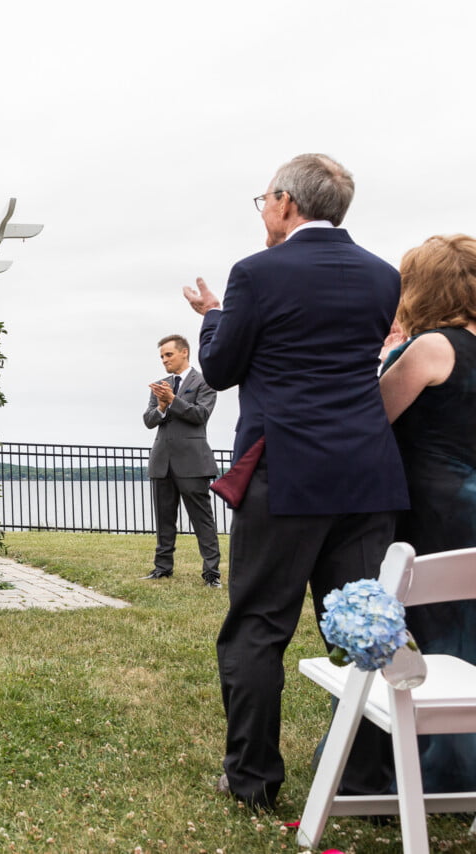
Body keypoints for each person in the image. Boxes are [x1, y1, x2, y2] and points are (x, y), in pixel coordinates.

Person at [182, 153, 408, 810]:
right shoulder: (382, 275)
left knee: (258, 625)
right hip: (368, 474)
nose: (264, 212)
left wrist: (212, 315)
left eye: (263, 201)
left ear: (283, 201)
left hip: (284, 474)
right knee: (366, 630)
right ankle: (364, 775)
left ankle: (252, 781)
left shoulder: (256, 273)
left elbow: (221, 368)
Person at [378, 233, 476, 793]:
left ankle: (434, 769)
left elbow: (375, 418)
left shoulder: (434, 347)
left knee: (435, 635)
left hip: (435, 509)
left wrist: (386, 358)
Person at [141, 334, 221, 587]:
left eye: (169, 355)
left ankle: (211, 574)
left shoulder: (205, 382)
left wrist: (173, 401)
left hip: (193, 463)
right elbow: (148, 420)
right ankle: (162, 568)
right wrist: (162, 406)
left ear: (184, 352)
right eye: (162, 356)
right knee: (164, 520)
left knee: (202, 521)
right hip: (162, 462)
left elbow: (200, 415)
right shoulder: (160, 385)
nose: (164, 360)